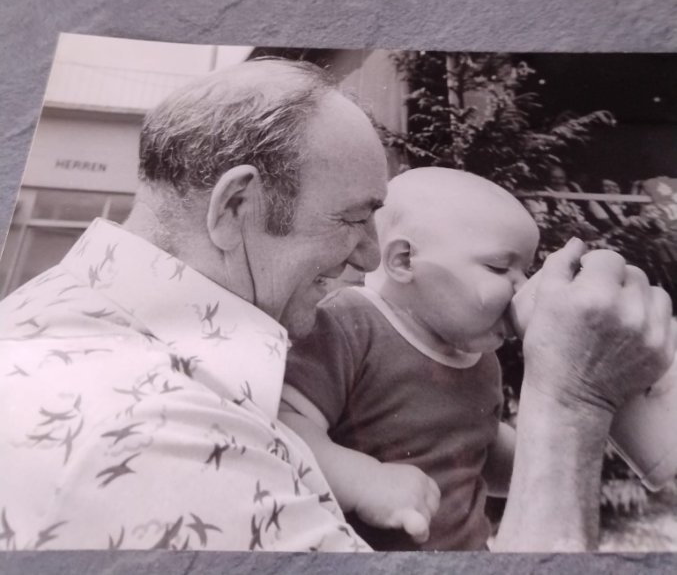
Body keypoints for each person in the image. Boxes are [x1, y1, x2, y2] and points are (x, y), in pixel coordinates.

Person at [0, 59, 673, 551]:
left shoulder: (98, 333)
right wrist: (572, 402)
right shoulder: (158, 438)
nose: (371, 258)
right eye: (353, 219)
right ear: (236, 206)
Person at [280, 167, 539, 550]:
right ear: (404, 261)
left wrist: (546, 453)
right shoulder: (349, 324)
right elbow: (283, 427)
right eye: (500, 267)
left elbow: (476, 449)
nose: (523, 289)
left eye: (527, 272)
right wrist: (364, 481)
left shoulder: (480, 358)